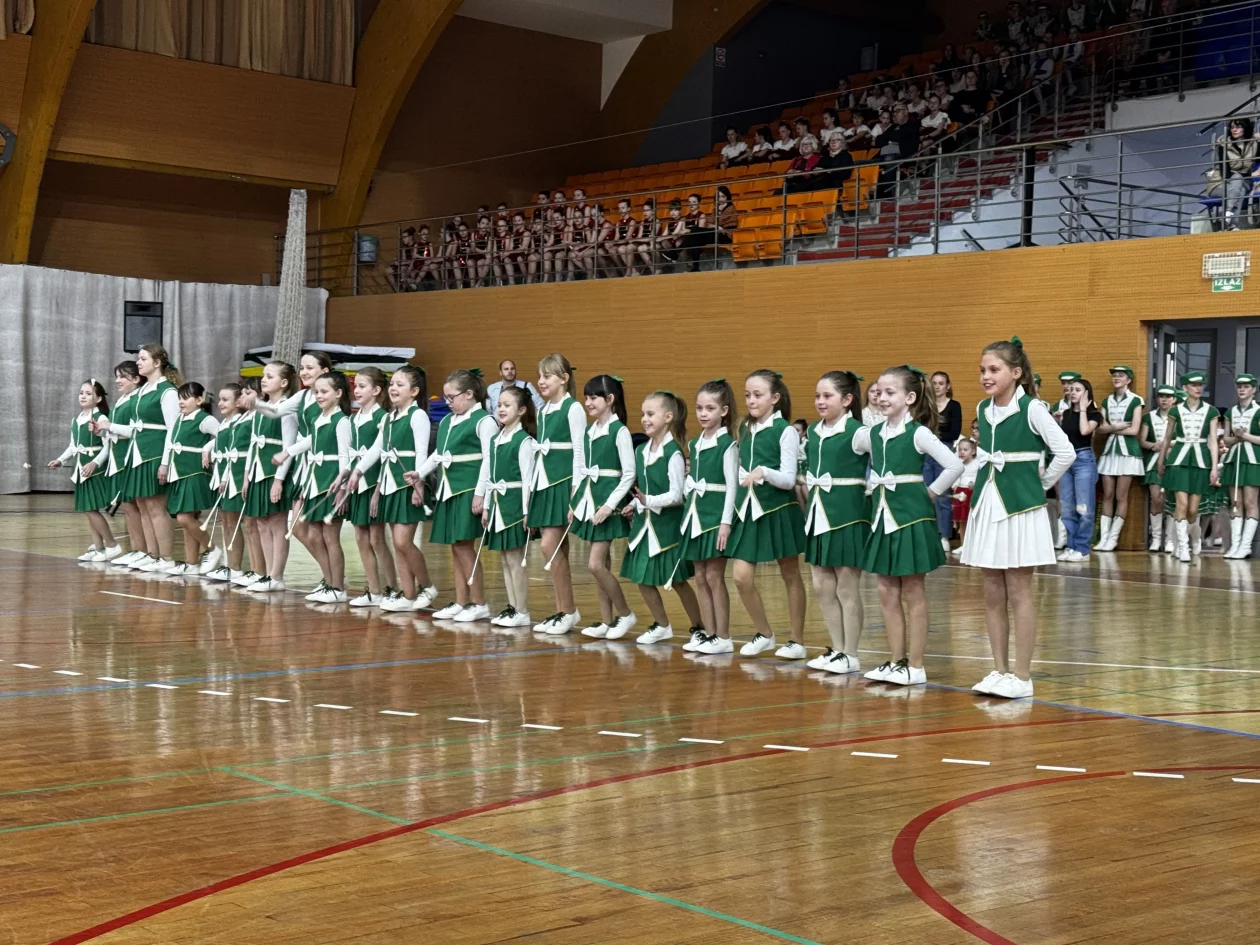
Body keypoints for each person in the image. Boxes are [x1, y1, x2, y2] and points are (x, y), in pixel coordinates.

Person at [961, 340, 1075, 698]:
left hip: (1021, 509)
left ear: (1015, 373)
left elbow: (1065, 452)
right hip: (988, 504)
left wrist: (1039, 484)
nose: (985, 376)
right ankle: (999, 670)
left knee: (1020, 591)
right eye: (982, 370)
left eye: (993, 369)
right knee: (992, 592)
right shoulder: (983, 408)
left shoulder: (1033, 409)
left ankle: (1022, 677)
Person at [858, 367, 963, 686]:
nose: (882, 397)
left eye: (890, 392)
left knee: (913, 591)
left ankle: (915, 666)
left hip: (911, 519)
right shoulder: (872, 434)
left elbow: (954, 464)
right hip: (882, 517)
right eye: (879, 392)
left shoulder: (918, 433)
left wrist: (931, 492)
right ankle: (896, 660)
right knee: (886, 590)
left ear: (910, 397)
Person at [728, 370, 808, 660]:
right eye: (747, 395)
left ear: (775, 398)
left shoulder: (785, 431)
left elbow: (788, 479)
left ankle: (797, 641)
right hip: (749, 510)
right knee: (740, 577)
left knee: (790, 573)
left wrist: (763, 472)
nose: (751, 400)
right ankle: (764, 633)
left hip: (778, 510)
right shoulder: (744, 429)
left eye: (758, 395)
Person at [347, 365, 438, 612]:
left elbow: (421, 452)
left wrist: (419, 484)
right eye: (393, 384)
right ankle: (407, 595)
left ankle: (427, 586)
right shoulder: (388, 418)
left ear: (414, 391)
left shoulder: (417, 416)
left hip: (407, 485)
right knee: (398, 545)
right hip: (389, 486)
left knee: (402, 542)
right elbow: (376, 450)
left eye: (400, 384)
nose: (394, 388)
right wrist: (357, 471)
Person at [620, 392, 705, 644]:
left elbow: (677, 495)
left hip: (667, 528)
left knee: (676, 581)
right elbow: (645, 490)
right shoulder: (641, 451)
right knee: (641, 578)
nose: (644, 419)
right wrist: (634, 503)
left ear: (668, 417)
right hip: (644, 527)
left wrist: (648, 501)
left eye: (650, 414)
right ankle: (661, 624)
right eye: (643, 414)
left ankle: (698, 627)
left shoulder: (673, 452)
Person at [415, 369, 497, 622]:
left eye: (452, 397)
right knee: (456, 547)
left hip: (468, 490)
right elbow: (439, 454)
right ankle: (462, 602)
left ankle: (479, 602)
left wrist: (480, 494)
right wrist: (420, 473)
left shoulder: (485, 421)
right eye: (446, 398)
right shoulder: (448, 421)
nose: (448, 402)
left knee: (464, 547)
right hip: (448, 489)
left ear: (469, 394)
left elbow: (489, 460)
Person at [801, 371, 869, 675]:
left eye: (827, 396)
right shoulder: (813, 432)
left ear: (847, 399)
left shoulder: (858, 432)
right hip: (818, 515)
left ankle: (851, 653)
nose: (820, 401)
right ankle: (837, 648)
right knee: (821, 585)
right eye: (817, 395)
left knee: (846, 586)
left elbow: (887, 458)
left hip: (848, 515)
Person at [94, 344, 181, 573]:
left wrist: (165, 462)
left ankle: (166, 557)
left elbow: (173, 430)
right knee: (143, 507)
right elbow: (134, 428)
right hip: (138, 455)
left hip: (155, 454)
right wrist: (107, 428)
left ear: (157, 363)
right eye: (138, 359)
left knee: (156, 508)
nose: (138, 362)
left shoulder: (168, 391)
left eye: (143, 359)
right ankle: (151, 555)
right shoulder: (142, 392)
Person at [257, 351, 335, 597]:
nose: (304, 372)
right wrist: (254, 403)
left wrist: (287, 452)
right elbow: (275, 412)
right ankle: (331, 576)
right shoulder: (302, 396)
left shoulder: (329, 399)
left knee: (319, 530)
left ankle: (334, 580)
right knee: (300, 529)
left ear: (324, 371)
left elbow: (321, 435)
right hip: (304, 467)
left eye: (310, 367)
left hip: (325, 467)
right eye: (302, 368)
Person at [571, 374, 637, 639]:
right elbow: (582, 471)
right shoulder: (589, 431)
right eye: (586, 398)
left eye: (593, 398)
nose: (588, 403)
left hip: (607, 506)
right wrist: (575, 504)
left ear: (610, 399)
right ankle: (607, 621)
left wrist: (609, 506)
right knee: (602, 566)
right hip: (590, 503)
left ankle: (625, 614)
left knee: (595, 565)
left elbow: (628, 474)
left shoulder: (620, 432)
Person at [679, 379, 740, 654]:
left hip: (715, 517)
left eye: (710, 408)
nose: (703, 414)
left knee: (715, 576)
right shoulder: (694, 443)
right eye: (699, 408)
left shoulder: (728, 445)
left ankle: (723, 636)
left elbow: (732, 487)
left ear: (724, 411)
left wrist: (726, 522)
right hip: (695, 516)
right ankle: (709, 633)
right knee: (700, 577)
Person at [530, 354, 586, 635]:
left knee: (548, 546)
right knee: (557, 549)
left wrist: (576, 491)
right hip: (545, 485)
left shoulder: (573, 408)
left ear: (564, 379)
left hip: (564, 485)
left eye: (548, 376)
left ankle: (569, 611)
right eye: (540, 376)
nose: (541, 381)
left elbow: (579, 451)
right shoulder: (543, 411)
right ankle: (563, 610)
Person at [237, 361, 298, 592]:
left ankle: (276, 575)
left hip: (274, 473)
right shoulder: (259, 410)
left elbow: (288, 447)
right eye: (263, 375)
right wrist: (246, 476)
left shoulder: (286, 409)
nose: (263, 380)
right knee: (261, 523)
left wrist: (279, 480)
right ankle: (267, 575)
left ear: (283, 382)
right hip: (257, 473)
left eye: (270, 376)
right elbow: (253, 446)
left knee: (276, 524)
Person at [480, 386, 536, 626]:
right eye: (499, 405)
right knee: (504, 559)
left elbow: (528, 480)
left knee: (515, 560)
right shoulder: (495, 439)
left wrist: (527, 512)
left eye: (507, 405)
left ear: (521, 410)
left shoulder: (524, 442)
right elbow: (490, 475)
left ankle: (522, 611)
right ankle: (512, 607)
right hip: (497, 505)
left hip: (514, 507)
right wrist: (486, 506)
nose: (501, 409)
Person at [296, 371, 353, 603]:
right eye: (316, 392)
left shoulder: (342, 421)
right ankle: (329, 582)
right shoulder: (317, 420)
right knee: (313, 534)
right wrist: (306, 484)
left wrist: (342, 488)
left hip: (332, 484)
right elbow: (312, 454)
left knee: (330, 537)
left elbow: (345, 457)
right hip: (314, 483)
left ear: (338, 393)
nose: (318, 396)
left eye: (324, 392)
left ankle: (338, 587)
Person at [342, 368, 397, 606]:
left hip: (374, 484)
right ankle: (374, 591)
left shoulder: (383, 417)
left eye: (362, 386)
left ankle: (393, 589)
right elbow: (349, 456)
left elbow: (384, 457)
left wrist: (377, 490)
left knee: (377, 539)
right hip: (357, 486)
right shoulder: (352, 419)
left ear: (376, 390)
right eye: (355, 386)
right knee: (361, 538)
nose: (357, 390)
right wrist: (344, 484)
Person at [50, 379, 120, 561]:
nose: (83, 396)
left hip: (94, 471)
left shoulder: (101, 418)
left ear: (98, 398)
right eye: (81, 393)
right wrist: (60, 460)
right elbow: (73, 446)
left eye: (88, 393)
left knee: (90, 509)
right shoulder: (76, 420)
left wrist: (95, 463)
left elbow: (108, 446)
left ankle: (112, 544)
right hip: (81, 471)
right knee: (88, 509)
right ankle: (99, 547)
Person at [1157, 371, 1221, 562]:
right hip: (1178, 460)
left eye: (1200, 385)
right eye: (1194, 385)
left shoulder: (1211, 411)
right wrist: (1161, 460)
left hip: (1201, 460)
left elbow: (1213, 440)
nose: (1198, 388)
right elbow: (1167, 438)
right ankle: (1182, 547)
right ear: (1185, 387)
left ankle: (1195, 534)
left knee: (1193, 510)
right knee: (1182, 505)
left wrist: (1214, 467)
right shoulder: (1175, 411)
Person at [160, 381, 222, 576]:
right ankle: (192, 563)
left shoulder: (205, 419)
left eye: (186, 398)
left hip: (195, 473)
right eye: (180, 398)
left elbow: (226, 435)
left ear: (199, 400)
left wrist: (208, 448)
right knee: (189, 519)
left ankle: (212, 549)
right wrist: (165, 465)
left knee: (184, 518)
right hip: (179, 473)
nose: (181, 402)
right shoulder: (179, 419)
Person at [101, 362, 150, 568]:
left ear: (136, 379)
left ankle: (144, 551)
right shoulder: (122, 400)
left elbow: (136, 431)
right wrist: (104, 430)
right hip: (117, 457)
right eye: (117, 376)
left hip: (129, 457)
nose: (117, 380)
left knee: (134, 506)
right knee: (128, 508)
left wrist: (110, 426)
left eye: (122, 376)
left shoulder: (136, 401)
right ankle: (136, 549)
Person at [1094, 365, 1145, 552]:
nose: (1116, 378)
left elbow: (1134, 430)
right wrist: (1116, 427)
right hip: (1110, 451)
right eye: (1114, 375)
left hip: (1128, 452)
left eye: (1120, 376)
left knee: (1120, 496)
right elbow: (1100, 429)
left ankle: (1113, 539)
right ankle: (1104, 538)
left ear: (1128, 380)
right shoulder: (1107, 401)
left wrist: (1110, 428)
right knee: (1107, 495)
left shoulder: (1136, 400)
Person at [203, 384, 248, 582]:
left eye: (225, 399)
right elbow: (219, 440)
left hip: (234, 478)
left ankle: (236, 567)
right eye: (220, 399)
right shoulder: (225, 423)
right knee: (227, 522)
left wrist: (226, 478)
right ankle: (229, 565)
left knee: (233, 522)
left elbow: (234, 450)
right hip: (222, 476)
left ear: (238, 402)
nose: (220, 403)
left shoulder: (240, 422)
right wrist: (207, 448)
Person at [1056, 377, 1102, 562]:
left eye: (1077, 390)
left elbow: (1084, 431)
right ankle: (1071, 545)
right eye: (1071, 389)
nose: (1072, 392)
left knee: (1084, 507)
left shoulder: (1095, 415)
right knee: (1067, 507)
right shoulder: (1065, 414)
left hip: (1084, 460)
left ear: (1086, 394)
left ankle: (1082, 549)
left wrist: (1083, 409)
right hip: (1067, 460)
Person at [1222, 374, 1260, 558]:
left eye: (1246, 386)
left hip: (1252, 459)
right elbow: (1226, 439)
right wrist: (1236, 438)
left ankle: (1246, 546)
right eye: (1239, 386)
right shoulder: (1231, 412)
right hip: (1234, 458)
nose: (1242, 389)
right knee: (1235, 503)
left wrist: (1244, 436)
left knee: (1250, 502)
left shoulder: (1259, 411)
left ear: (1254, 390)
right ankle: (1235, 545)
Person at [1139, 385, 1177, 553]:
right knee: (1156, 499)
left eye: (1168, 397)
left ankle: (1169, 540)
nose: (1164, 399)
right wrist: (1155, 446)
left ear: (1174, 399)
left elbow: (1183, 438)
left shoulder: (1179, 416)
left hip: (1174, 461)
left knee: (1172, 501)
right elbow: (1142, 441)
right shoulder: (1149, 417)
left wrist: (1167, 444)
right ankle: (1156, 539)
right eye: (1161, 396)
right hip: (1154, 462)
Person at [928, 371, 962, 552]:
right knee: (925, 493)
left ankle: (944, 536)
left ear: (947, 386)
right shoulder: (926, 405)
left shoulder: (954, 406)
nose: (937, 386)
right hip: (925, 452)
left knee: (942, 495)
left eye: (941, 383)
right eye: (934, 383)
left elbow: (954, 432)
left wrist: (932, 437)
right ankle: (927, 534)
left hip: (944, 451)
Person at [1216, 118, 1259, 231]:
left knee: (1239, 186)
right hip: (1221, 182)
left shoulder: (1253, 143)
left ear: (1245, 128)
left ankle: (1227, 217)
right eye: (1232, 127)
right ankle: (1232, 224)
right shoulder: (1224, 145)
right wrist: (1249, 174)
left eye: (1238, 127)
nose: (1234, 130)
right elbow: (1225, 172)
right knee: (1238, 184)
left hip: (1244, 182)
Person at [951, 437, 978, 555]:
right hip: (961, 493)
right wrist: (955, 485)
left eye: (965, 450)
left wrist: (974, 484)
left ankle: (974, 546)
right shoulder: (959, 464)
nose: (962, 452)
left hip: (972, 493)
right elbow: (957, 477)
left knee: (973, 519)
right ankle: (963, 545)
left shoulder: (977, 464)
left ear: (973, 451)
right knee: (962, 521)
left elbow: (979, 477)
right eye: (960, 450)